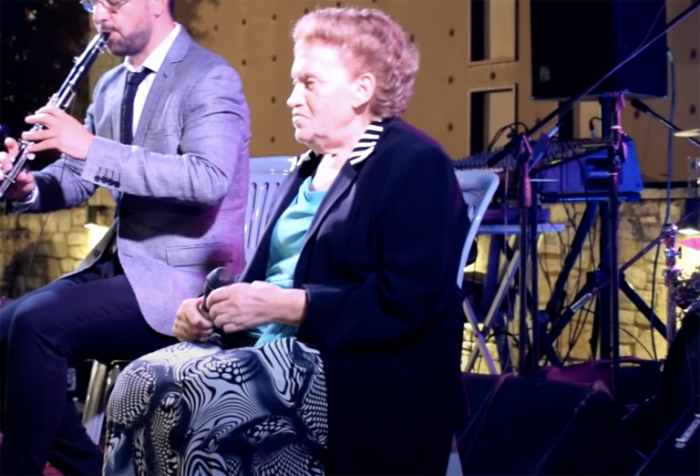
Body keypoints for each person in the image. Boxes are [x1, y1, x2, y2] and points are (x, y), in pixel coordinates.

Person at [105, 6, 468, 476]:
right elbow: (270, 279)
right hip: (268, 350)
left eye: (309, 83)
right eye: (294, 83)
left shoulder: (414, 164)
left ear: (362, 89)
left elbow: (406, 302)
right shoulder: (308, 168)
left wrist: (288, 307)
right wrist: (211, 312)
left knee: (196, 395)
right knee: (135, 383)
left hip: (354, 373)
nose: (292, 99)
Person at [0, 0, 250, 474]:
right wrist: (29, 188)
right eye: (92, 3)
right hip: (121, 269)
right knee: (5, 329)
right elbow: (78, 174)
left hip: (184, 283)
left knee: (35, 325)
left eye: (112, 2)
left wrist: (91, 146)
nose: (99, 15)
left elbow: (208, 178)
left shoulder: (209, 77)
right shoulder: (112, 84)